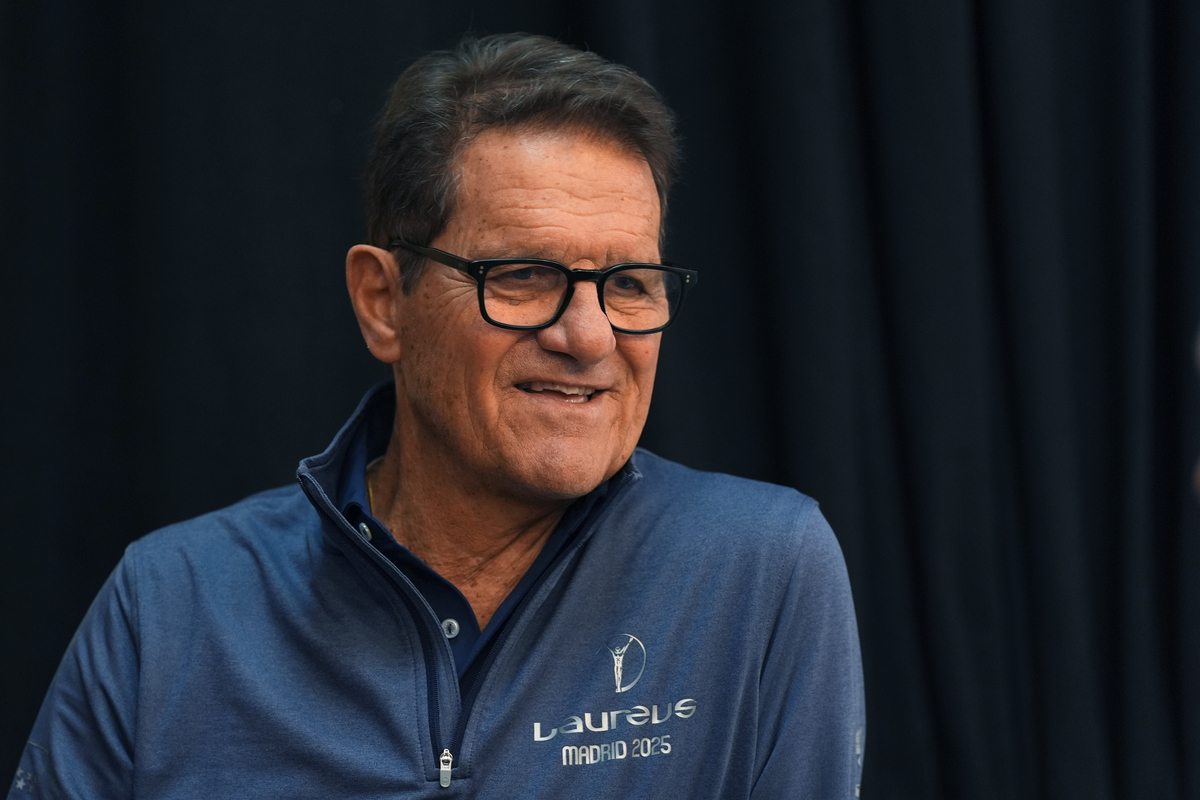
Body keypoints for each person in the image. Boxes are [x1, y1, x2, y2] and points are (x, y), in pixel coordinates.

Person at [11, 33, 865, 799]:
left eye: (629, 284)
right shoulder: (167, 605)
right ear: (384, 301)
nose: (590, 335)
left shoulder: (762, 568)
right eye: (524, 275)